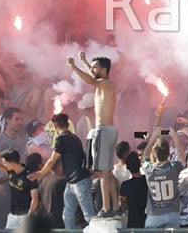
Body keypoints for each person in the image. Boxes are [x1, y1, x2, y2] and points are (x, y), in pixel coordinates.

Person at [67, 52, 118, 218]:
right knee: (108, 172)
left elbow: (90, 79)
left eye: (95, 67)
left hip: (104, 129)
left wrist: (74, 66)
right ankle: (114, 207)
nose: (92, 70)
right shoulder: (104, 84)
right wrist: (84, 61)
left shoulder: (105, 83)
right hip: (108, 129)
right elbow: (92, 77)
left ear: (103, 70)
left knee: (103, 172)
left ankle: (106, 208)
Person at [28, 113, 96, 229]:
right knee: (67, 215)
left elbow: (52, 160)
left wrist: (40, 173)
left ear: (54, 126)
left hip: (79, 180)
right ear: (68, 124)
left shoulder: (62, 139)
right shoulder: (75, 138)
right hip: (72, 181)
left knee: (89, 215)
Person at [142, 127, 184, 228]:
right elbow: (182, 158)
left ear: (155, 154)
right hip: (172, 212)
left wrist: (152, 139)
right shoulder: (173, 168)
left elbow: (145, 157)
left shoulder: (149, 168)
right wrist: (175, 137)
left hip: (154, 214)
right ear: (169, 153)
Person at [0, 149, 39, 230]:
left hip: (25, 215)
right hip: (13, 215)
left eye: (5, 163)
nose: (4, 165)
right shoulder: (11, 172)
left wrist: (29, 216)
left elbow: (35, 199)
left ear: (12, 163)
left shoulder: (29, 176)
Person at [119, 151, 148, 228]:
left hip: (133, 224)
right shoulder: (147, 181)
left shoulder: (125, 186)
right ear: (139, 164)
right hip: (148, 222)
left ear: (127, 167)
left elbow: (123, 206)